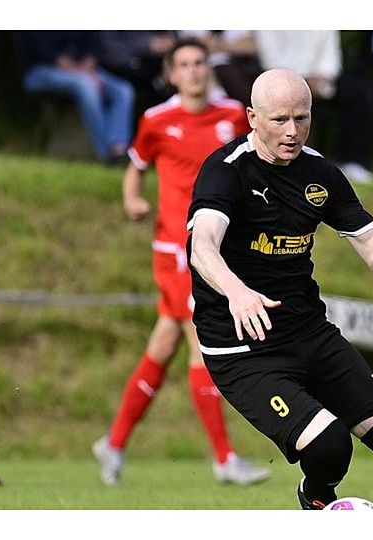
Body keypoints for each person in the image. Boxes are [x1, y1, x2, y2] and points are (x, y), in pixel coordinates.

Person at [186, 68, 373, 510]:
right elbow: (202, 247)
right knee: (329, 447)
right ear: (252, 117)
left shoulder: (320, 173)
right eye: (280, 120)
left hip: (310, 333)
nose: (293, 131)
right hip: (244, 349)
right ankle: (316, 496)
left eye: (302, 119)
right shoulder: (225, 171)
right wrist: (237, 291)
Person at [92, 38, 270, 487]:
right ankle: (225, 459)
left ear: (208, 68)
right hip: (176, 250)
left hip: (219, 250)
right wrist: (133, 200)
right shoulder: (157, 120)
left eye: (199, 63)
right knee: (201, 341)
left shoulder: (233, 115)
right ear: (171, 74)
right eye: (184, 65)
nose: (192, 72)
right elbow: (136, 165)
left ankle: (113, 443)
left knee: (164, 344)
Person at [254, 30, 373, 184]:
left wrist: (323, 78)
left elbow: (330, 58)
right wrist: (300, 81)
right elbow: (270, 59)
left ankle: (354, 163)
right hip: (280, 80)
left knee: (358, 93)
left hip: (320, 80)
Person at [22, 30, 135, 164]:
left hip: (84, 72)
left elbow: (93, 46)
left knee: (122, 91)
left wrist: (88, 65)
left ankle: (119, 150)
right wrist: (82, 73)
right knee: (86, 86)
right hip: (42, 70)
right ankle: (105, 155)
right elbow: (48, 53)